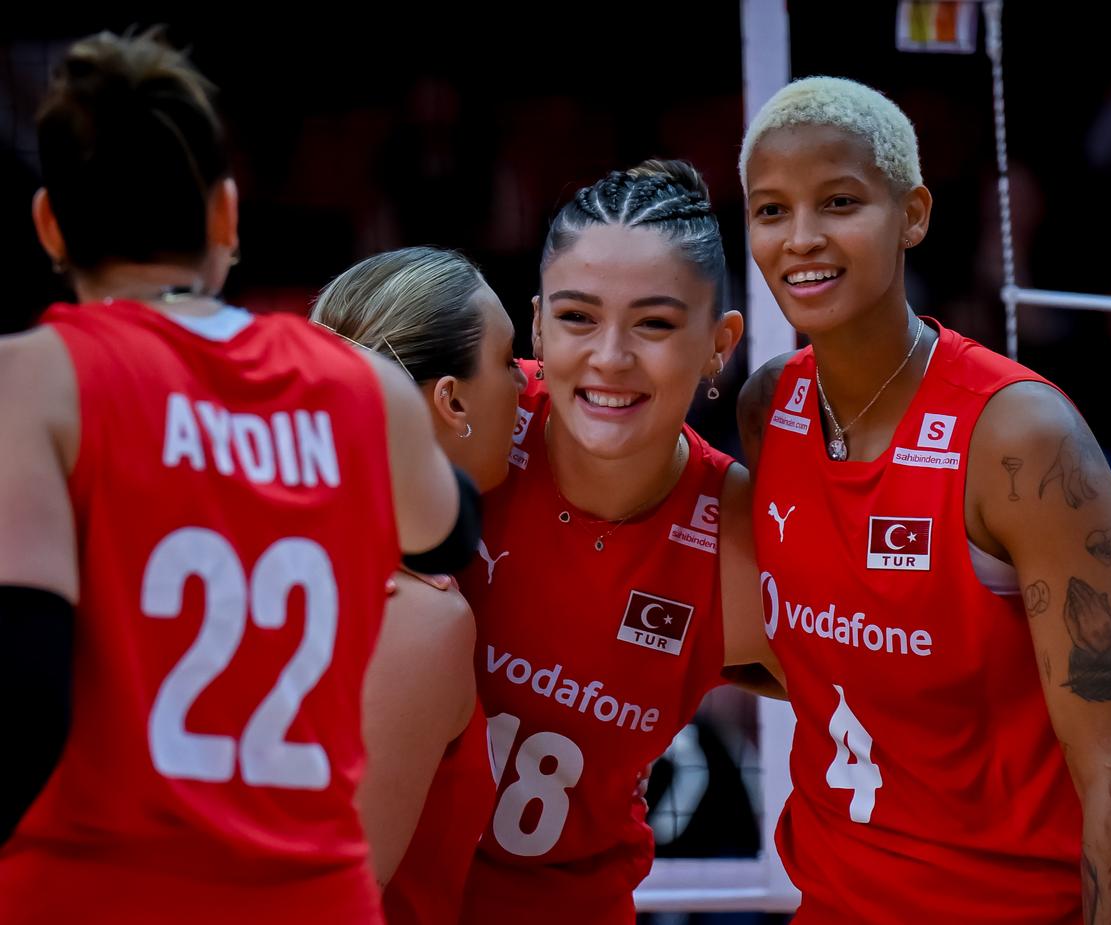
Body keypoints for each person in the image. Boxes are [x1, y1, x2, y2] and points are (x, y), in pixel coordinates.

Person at [737, 75, 1111, 925]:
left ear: (915, 214)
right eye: (771, 209)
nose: (802, 238)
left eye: (841, 201)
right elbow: (820, 661)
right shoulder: (768, 408)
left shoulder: (1021, 439)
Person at [0, 30, 470, 925]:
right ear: (226, 214)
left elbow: (24, 691)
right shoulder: (362, 385)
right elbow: (450, 531)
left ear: (50, 224)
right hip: (311, 900)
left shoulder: (32, 379)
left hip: (90, 893)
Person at [453, 159, 774, 925]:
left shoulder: (736, 529)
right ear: (534, 324)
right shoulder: (465, 424)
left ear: (718, 344)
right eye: (576, 318)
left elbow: (895, 695)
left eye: (656, 323)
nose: (610, 356)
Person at [311, 246, 526, 922]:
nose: (527, 382)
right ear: (452, 399)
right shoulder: (417, 611)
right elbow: (328, 900)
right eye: (507, 360)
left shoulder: (281, 542)